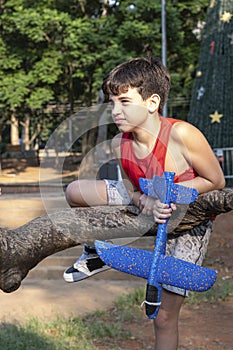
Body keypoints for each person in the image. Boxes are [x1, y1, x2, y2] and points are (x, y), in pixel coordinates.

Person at [63, 56, 225, 350]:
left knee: (163, 317)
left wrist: (170, 193)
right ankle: (94, 251)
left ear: (152, 103)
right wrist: (142, 199)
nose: (115, 110)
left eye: (124, 101)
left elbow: (215, 181)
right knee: (75, 191)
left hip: (189, 220)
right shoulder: (119, 142)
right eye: (112, 102)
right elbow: (129, 185)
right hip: (147, 202)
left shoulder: (182, 134)